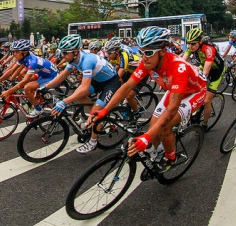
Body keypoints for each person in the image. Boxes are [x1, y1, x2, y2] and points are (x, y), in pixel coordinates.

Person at [88, 26, 206, 170]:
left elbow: (171, 109)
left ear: (163, 51)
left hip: (195, 92)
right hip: (174, 89)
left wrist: (147, 138)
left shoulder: (178, 67)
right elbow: (127, 87)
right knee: (153, 127)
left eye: (148, 53)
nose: (144, 57)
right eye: (141, 52)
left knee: (164, 127)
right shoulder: (147, 62)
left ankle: (170, 157)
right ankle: (156, 152)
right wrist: (105, 110)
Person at [42, 33, 120, 154]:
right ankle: (97, 114)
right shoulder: (72, 59)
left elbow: (84, 88)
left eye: (65, 53)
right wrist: (45, 87)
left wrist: (64, 101)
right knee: (78, 96)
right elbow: (62, 76)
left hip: (110, 82)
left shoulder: (87, 61)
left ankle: (93, 142)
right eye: (62, 52)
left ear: (75, 52)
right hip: (98, 80)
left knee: (94, 112)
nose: (63, 55)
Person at [0, 39, 58, 118]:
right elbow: (11, 71)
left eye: (16, 52)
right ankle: (37, 98)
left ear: (24, 52)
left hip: (52, 76)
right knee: (27, 85)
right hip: (43, 74)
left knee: (27, 87)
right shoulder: (23, 58)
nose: (14, 54)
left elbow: (24, 80)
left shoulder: (32, 61)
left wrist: (8, 92)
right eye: (13, 52)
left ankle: (39, 108)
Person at [184, 29, 221, 129]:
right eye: (188, 43)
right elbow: (182, 63)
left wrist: (200, 84)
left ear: (200, 41)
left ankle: (204, 124)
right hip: (203, 65)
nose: (190, 46)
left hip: (216, 71)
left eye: (193, 44)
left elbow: (206, 71)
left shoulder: (209, 49)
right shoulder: (191, 47)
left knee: (206, 100)